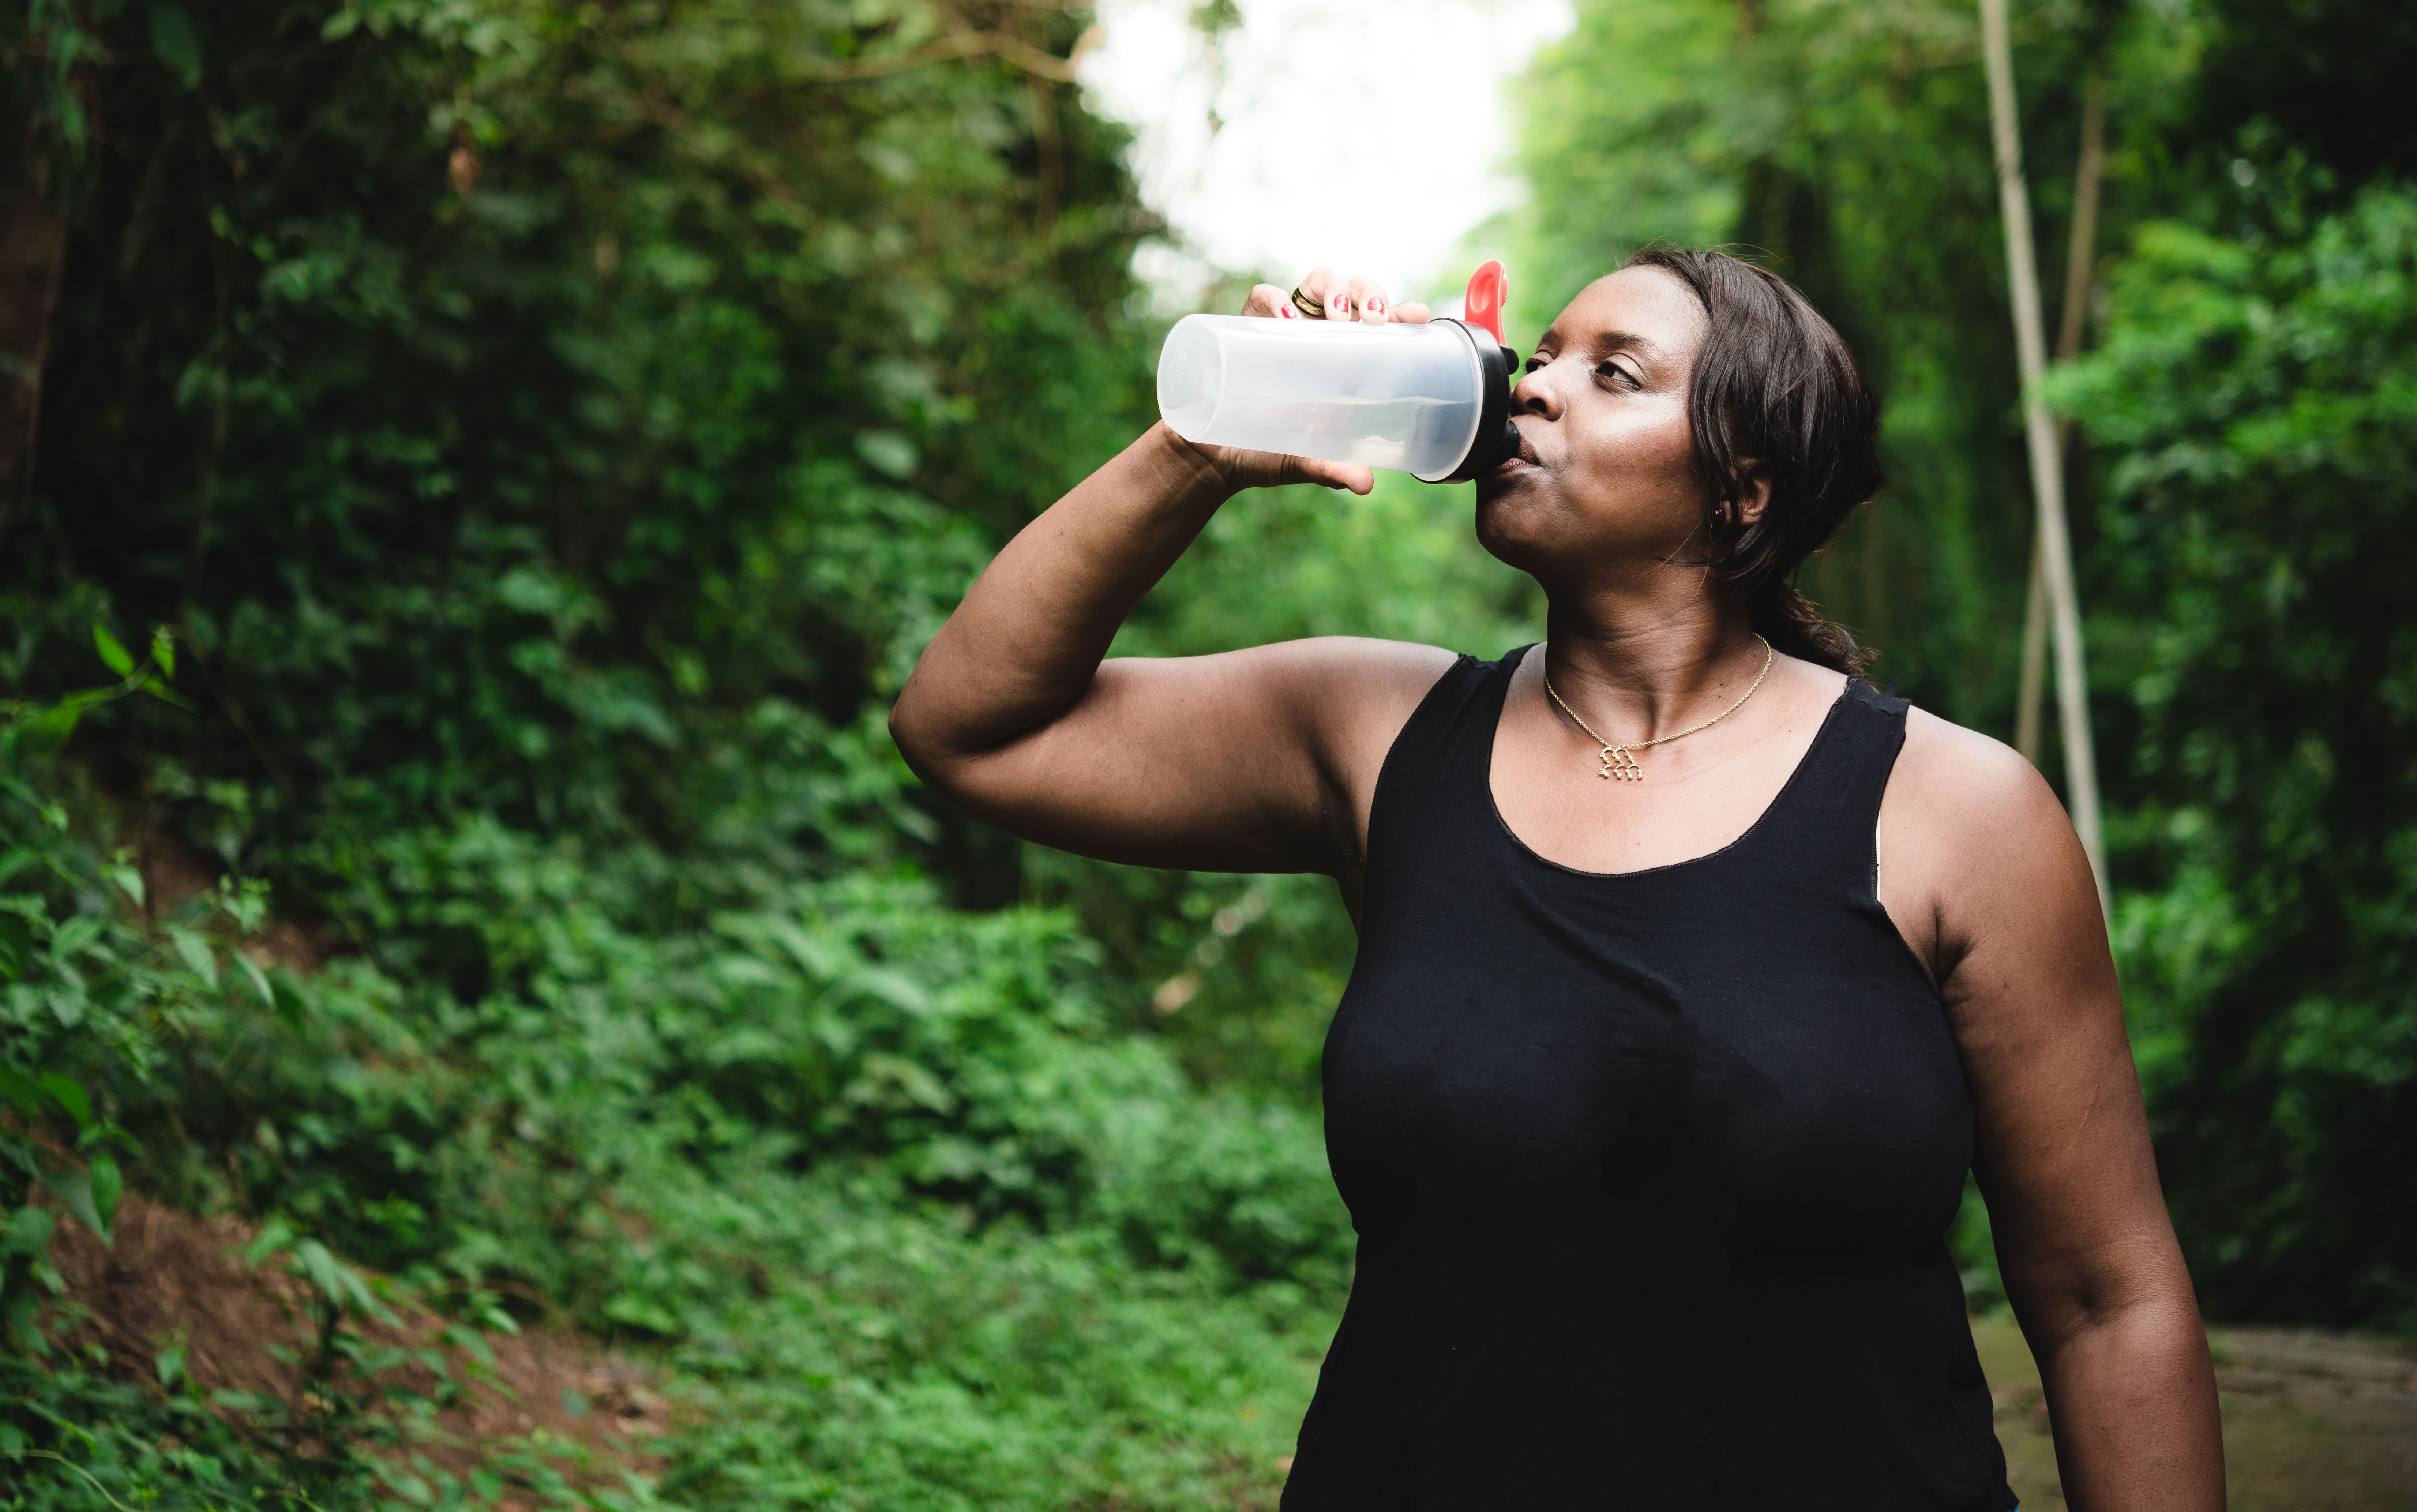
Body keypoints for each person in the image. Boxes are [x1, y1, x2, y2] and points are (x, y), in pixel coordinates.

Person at [887, 248, 2225, 1509]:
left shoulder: (1955, 809)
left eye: (1613, 371)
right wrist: (1199, 449)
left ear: (1738, 487)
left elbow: (2109, 1297)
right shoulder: (1374, 732)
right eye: (1538, 352)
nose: (1529, 382)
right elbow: (973, 728)